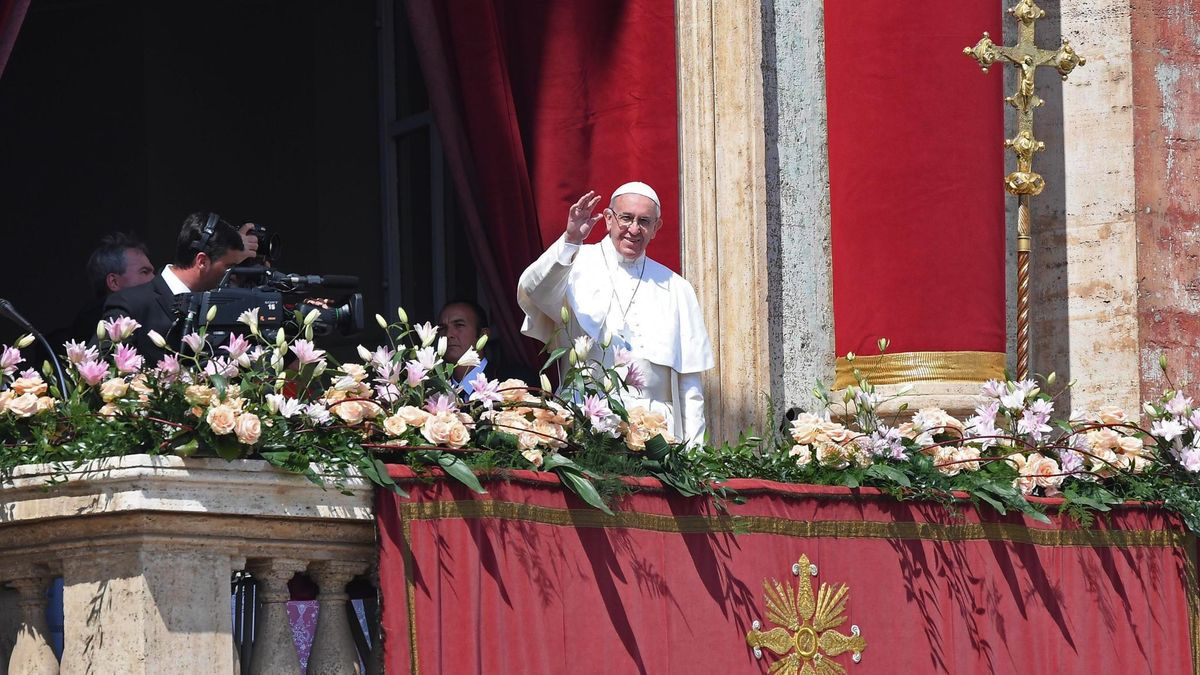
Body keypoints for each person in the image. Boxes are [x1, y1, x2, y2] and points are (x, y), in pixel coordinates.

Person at [517, 181, 714, 444]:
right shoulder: (575, 263)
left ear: (656, 228)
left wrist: (695, 452)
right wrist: (571, 240)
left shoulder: (678, 288)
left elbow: (690, 385)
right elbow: (535, 289)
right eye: (626, 218)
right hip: (584, 423)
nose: (634, 229)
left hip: (657, 433)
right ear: (609, 219)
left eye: (644, 221)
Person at [101, 212, 258, 364]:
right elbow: (104, 369)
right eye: (228, 267)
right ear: (202, 261)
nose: (231, 275)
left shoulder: (215, 305)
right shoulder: (130, 304)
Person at [64, 232, 156, 344]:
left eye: (153, 272)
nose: (154, 279)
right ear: (114, 282)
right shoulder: (93, 325)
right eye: (144, 272)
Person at [437, 299, 534, 395]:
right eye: (442, 328)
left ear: (483, 334)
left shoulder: (514, 384)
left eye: (459, 325)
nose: (448, 334)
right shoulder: (432, 392)